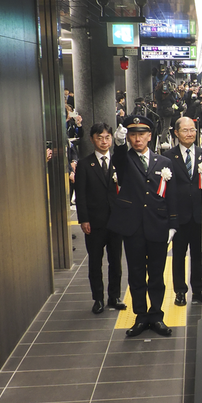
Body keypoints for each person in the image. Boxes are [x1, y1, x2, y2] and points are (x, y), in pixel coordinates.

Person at [108, 115, 178, 337]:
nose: (137, 139)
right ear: (127, 137)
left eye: (141, 134)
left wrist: (173, 224)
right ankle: (140, 316)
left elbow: (172, 196)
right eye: (132, 135)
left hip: (157, 226)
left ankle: (157, 315)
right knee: (137, 274)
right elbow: (118, 158)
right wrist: (119, 144)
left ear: (149, 136)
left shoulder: (164, 163)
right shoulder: (124, 159)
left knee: (157, 275)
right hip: (133, 228)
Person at [74, 123, 127, 314]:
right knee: (95, 262)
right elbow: (80, 195)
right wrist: (83, 220)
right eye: (99, 138)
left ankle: (114, 296)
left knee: (116, 261)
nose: (104, 141)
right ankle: (98, 298)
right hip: (95, 222)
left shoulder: (118, 162)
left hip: (116, 222)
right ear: (92, 139)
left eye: (107, 137)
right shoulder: (85, 164)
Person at [163, 117, 202, 306]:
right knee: (179, 255)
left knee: (199, 255)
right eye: (185, 130)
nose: (190, 133)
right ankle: (180, 291)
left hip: (200, 215)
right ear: (176, 133)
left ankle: (198, 289)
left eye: (193, 130)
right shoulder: (168, 157)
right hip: (178, 216)